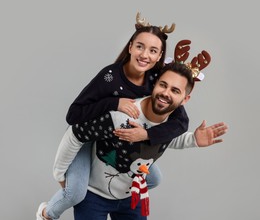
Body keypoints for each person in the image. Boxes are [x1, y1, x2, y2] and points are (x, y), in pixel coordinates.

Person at [36, 12, 190, 220]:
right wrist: (115, 103)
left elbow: (180, 122)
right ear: (130, 47)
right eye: (140, 47)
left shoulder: (157, 80)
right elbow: (73, 116)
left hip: (119, 140)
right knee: (75, 192)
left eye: (153, 51)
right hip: (89, 137)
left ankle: (116, 195)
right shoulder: (109, 77)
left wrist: (146, 135)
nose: (145, 55)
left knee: (154, 178)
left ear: (159, 56)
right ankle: (47, 213)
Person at [66, 61, 228, 219]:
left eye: (175, 90)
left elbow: (165, 140)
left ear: (185, 100)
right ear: (155, 84)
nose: (166, 93)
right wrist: (62, 174)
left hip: (131, 196)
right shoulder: (124, 114)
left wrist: (193, 140)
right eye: (163, 85)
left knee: (155, 177)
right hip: (94, 195)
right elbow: (75, 133)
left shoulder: (168, 125)